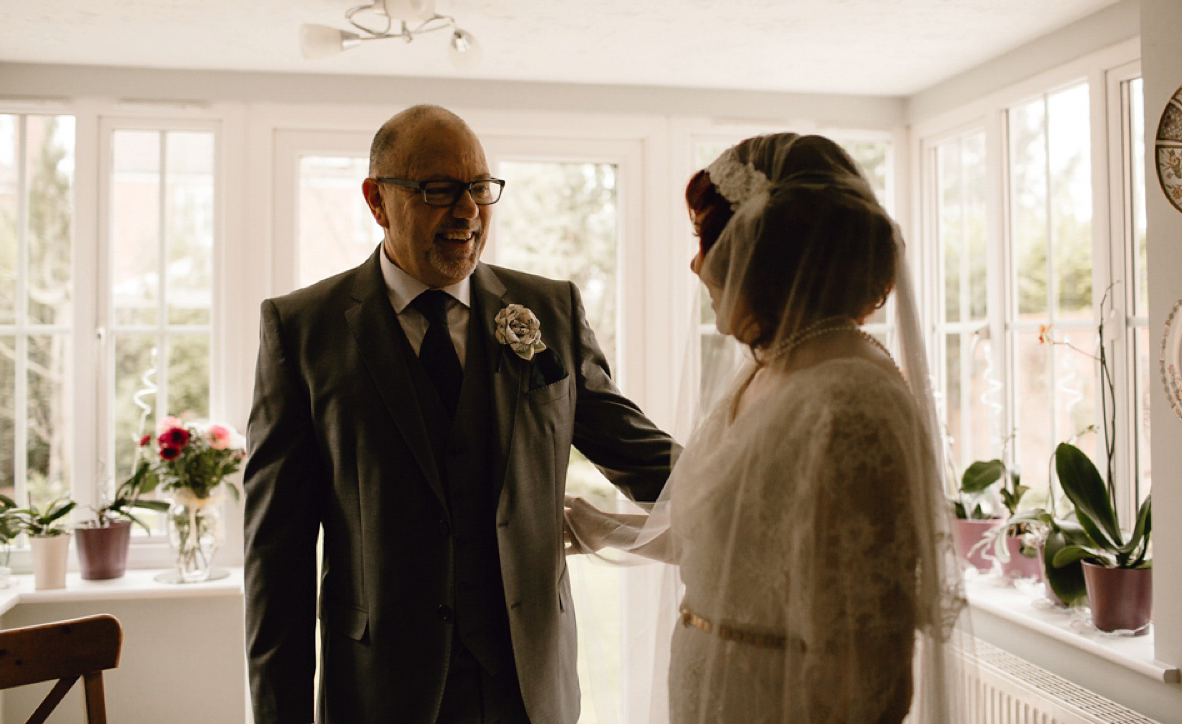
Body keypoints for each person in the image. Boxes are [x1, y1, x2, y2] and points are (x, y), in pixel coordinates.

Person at [243, 104, 676, 724]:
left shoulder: (549, 311)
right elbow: (276, 560)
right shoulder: (302, 329)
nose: (468, 210)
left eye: (479, 188)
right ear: (376, 200)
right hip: (379, 693)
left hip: (529, 690)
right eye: (438, 190)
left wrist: (755, 494)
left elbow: (639, 453)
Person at [566, 133, 967, 723]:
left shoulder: (854, 399)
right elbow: (732, 551)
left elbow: (871, 664)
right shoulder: (762, 370)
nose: (697, 263)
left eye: (708, 240)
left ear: (770, 255)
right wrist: (607, 529)